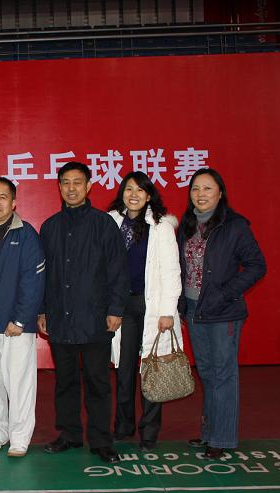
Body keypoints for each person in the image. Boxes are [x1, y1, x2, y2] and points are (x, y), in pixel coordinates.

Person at [38, 161, 129, 464]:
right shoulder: (50, 227)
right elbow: (42, 274)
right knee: (65, 381)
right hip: (60, 317)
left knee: (97, 382)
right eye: (66, 182)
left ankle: (101, 440)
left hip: (95, 317)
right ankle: (69, 434)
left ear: (89, 186)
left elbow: (118, 270)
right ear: (59, 187)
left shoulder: (104, 224)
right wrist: (42, 310)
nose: (71, 188)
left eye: (78, 182)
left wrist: (115, 309)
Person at [178, 168, 266, 460]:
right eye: (195, 189)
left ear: (220, 193)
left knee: (223, 374)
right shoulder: (187, 225)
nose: (200, 194)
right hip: (194, 310)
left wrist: (226, 293)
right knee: (206, 372)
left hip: (224, 311)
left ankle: (222, 437)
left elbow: (257, 265)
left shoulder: (235, 226)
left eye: (207, 188)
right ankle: (209, 432)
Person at [107, 171, 182, 452]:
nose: (134, 195)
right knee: (124, 371)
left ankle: (149, 433)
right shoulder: (112, 222)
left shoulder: (161, 227)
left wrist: (168, 311)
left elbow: (172, 271)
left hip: (151, 307)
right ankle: (123, 426)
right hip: (121, 307)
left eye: (140, 190)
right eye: (129, 189)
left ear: (149, 196)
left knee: (151, 370)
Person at [0, 177, 45, 457]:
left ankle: (19, 437)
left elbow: (33, 281)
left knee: (19, 384)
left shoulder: (26, 234)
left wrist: (20, 320)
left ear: (14, 203)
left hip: (15, 326)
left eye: (3, 197)